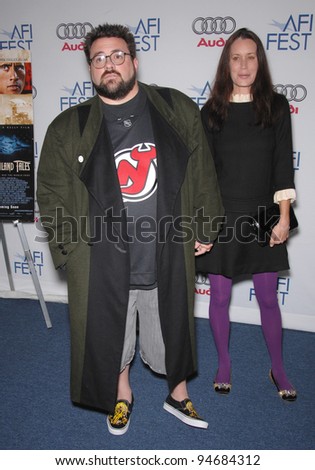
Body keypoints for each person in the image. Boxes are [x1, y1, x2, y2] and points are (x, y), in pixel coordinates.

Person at [37, 23, 224, 435]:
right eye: (99, 58)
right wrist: (70, 248)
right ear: (90, 69)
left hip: (167, 248)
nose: (109, 65)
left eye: (117, 55)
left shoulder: (176, 109)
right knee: (111, 332)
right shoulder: (68, 127)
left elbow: (203, 169)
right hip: (103, 259)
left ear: (134, 61)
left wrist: (207, 222)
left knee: (173, 325)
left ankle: (178, 393)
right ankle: (123, 394)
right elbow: (49, 192)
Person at [196, 28, 297, 401]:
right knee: (219, 297)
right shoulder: (211, 112)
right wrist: (202, 224)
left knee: (268, 296)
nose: (243, 65)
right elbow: (204, 175)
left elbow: (282, 167)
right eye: (235, 58)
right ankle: (224, 363)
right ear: (227, 63)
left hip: (263, 214)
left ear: (260, 61)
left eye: (250, 57)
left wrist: (283, 218)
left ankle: (279, 367)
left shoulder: (277, 106)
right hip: (222, 217)